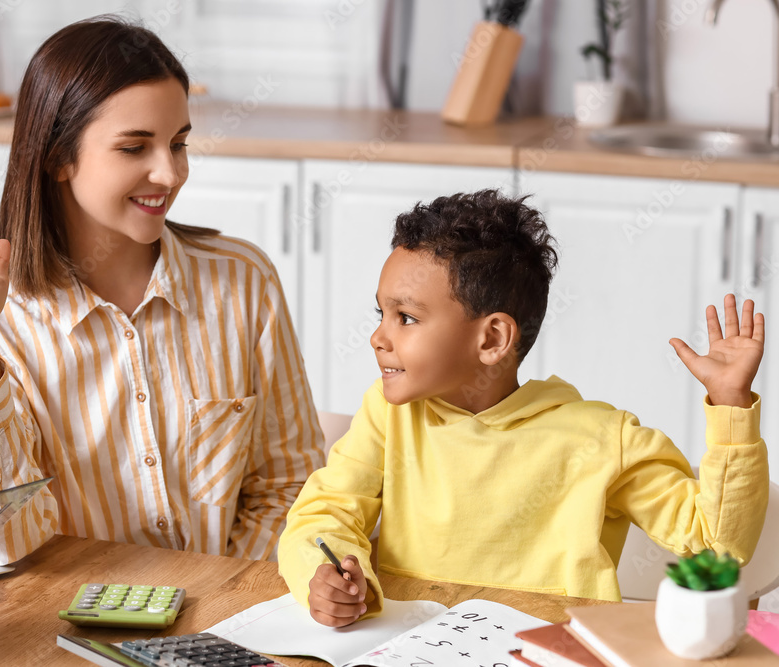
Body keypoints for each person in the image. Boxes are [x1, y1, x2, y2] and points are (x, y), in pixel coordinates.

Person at [0, 15, 325, 564]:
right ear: (57, 158)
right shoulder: (3, 320)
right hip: (71, 628)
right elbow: (1, 545)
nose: (169, 174)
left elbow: (290, 489)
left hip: (226, 625)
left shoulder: (243, 280)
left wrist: (216, 604)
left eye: (178, 143)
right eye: (134, 148)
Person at [277, 189, 769, 627]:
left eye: (405, 317)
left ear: (492, 338)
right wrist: (324, 574)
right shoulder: (388, 416)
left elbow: (717, 544)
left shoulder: (601, 439)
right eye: (380, 313)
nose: (378, 337)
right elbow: (325, 516)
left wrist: (730, 405)